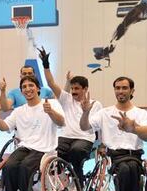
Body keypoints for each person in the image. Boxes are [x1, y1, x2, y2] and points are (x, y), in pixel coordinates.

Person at [0, 76, 65, 191]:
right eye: (24, 87)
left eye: (31, 85)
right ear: (21, 91)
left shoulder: (51, 104)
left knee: (25, 166)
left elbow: (61, 122)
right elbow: (5, 126)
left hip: (45, 149)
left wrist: (50, 112)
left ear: (38, 88)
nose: (28, 89)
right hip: (25, 147)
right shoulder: (19, 111)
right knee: (8, 166)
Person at [80, 76, 147, 191]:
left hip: (134, 154)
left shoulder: (141, 113)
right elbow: (84, 127)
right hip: (114, 155)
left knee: (132, 166)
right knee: (125, 167)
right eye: (117, 88)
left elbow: (146, 137)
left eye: (124, 88)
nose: (120, 91)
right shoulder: (105, 113)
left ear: (132, 91)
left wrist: (133, 126)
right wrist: (86, 112)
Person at [39, 47, 101, 181]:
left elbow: (95, 128)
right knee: (53, 151)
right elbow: (51, 83)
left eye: (77, 88)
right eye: (72, 88)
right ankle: (61, 179)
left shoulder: (95, 104)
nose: (73, 91)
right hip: (66, 137)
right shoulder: (66, 99)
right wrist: (46, 64)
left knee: (75, 152)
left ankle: (78, 181)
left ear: (85, 89)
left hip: (84, 139)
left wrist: (86, 111)